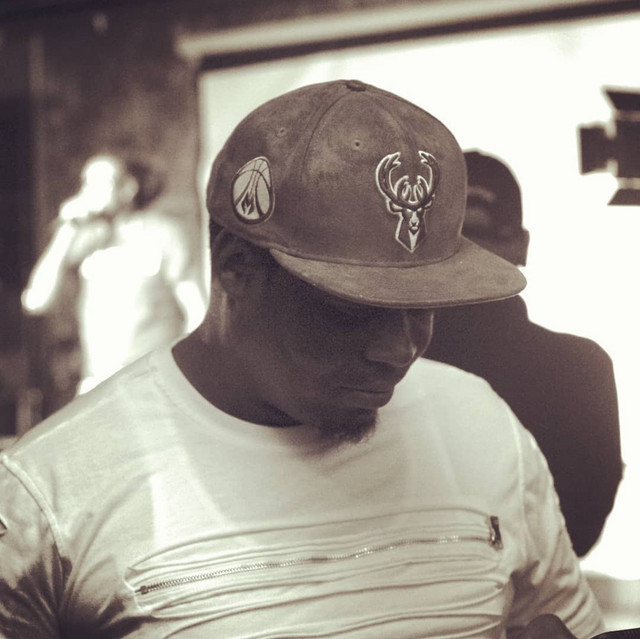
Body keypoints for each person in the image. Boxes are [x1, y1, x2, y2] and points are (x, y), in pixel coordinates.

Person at [0, 80, 604, 638]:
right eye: (352, 309)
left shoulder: (482, 424)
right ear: (236, 267)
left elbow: (561, 617)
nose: (401, 349)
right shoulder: (49, 499)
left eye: (424, 304)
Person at [425, 150, 623, 557]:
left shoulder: (386, 366)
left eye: (477, 236)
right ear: (521, 245)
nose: (471, 255)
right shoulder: (582, 368)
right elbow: (577, 534)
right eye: (462, 237)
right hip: (539, 585)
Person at [21, 153, 206, 394]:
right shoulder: (85, 240)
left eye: (102, 183)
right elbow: (36, 301)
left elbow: (197, 311)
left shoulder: (164, 234)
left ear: (128, 188)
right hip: (97, 385)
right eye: (87, 183)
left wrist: (184, 378)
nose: (90, 192)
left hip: (153, 384)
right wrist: (67, 229)